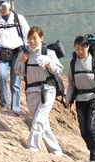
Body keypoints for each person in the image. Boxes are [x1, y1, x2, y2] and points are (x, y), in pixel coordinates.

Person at [16, 26, 64, 155]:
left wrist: (49, 63)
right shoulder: (24, 54)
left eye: (34, 38)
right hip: (31, 91)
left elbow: (59, 70)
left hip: (47, 89)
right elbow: (18, 72)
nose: (31, 41)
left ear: (41, 39)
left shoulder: (49, 53)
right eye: (29, 38)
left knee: (38, 119)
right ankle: (56, 151)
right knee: (42, 122)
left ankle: (33, 147)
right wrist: (22, 61)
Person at [65, 35, 95, 162]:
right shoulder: (73, 63)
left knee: (91, 128)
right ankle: (93, 149)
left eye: (82, 49)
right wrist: (68, 98)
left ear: (87, 47)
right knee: (83, 130)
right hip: (80, 99)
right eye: (77, 49)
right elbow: (71, 83)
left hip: (94, 97)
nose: (79, 52)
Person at [0, 0, 30, 113]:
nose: (2, 10)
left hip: (18, 53)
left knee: (16, 81)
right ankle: (4, 103)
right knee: (1, 76)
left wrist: (27, 50)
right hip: (2, 53)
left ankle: (15, 107)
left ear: (9, 5)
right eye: (0, 8)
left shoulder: (19, 18)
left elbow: (27, 34)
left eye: (4, 7)